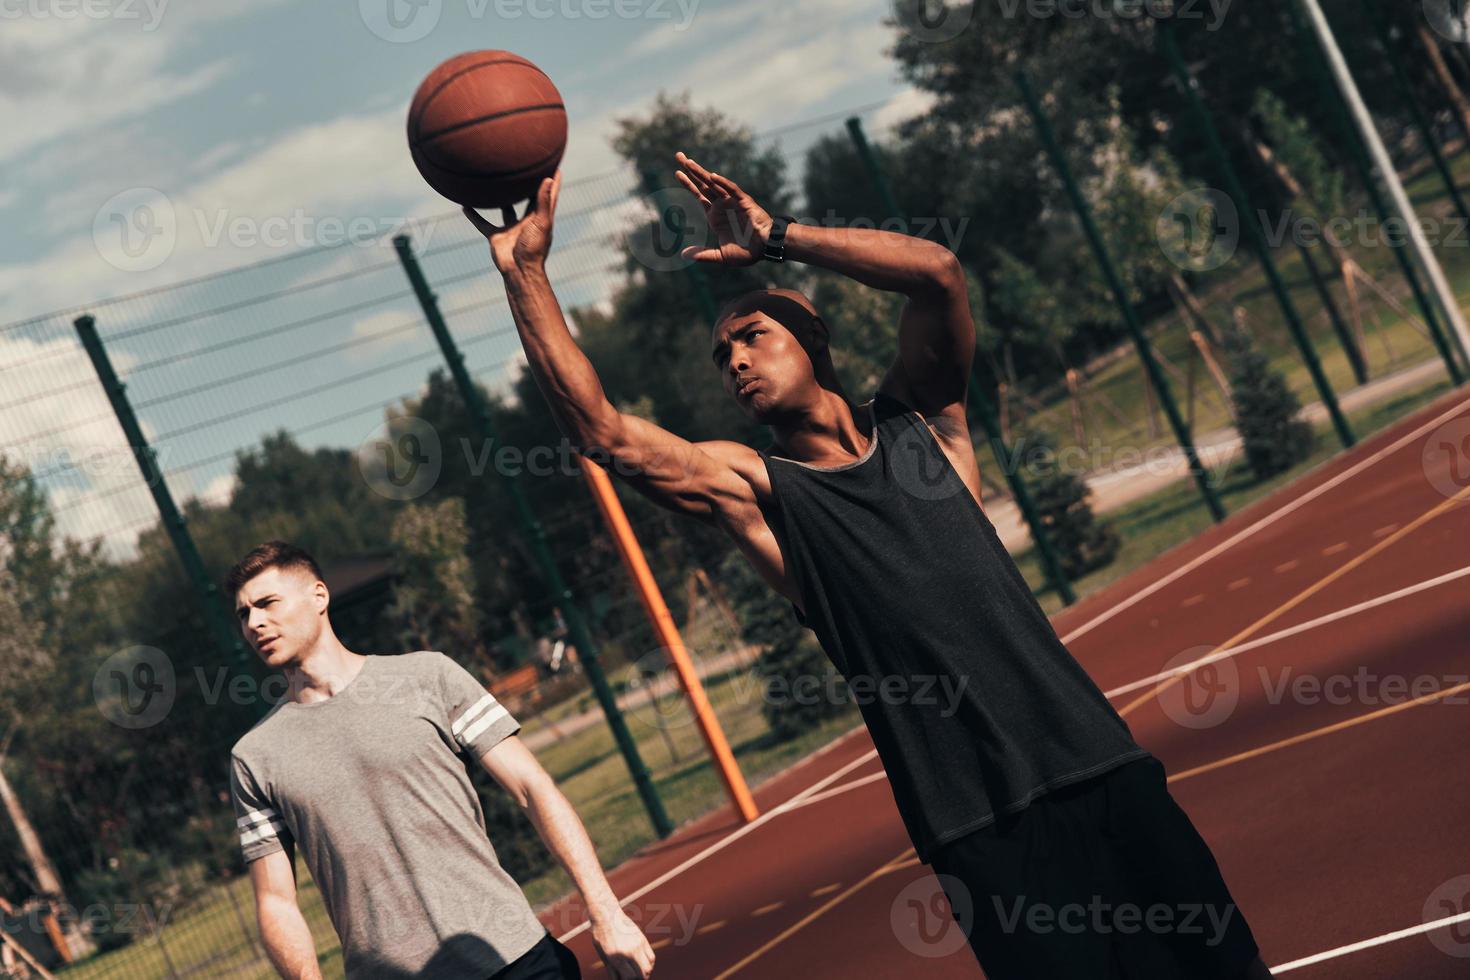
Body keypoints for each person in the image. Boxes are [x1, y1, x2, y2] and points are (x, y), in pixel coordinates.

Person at [462, 155, 1271, 978]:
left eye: (752, 337)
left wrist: (776, 239)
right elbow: (606, 433)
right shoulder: (762, 494)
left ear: (812, 342)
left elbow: (939, 277)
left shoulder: (927, 426)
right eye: (722, 357)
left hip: (1098, 760)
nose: (735, 361)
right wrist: (525, 274)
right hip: (979, 824)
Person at [225, 541, 655, 980]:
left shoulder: (428, 676)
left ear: (319, 596)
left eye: (267, 603)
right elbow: (276, 900)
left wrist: (606, 912)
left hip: (514, 958)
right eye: (243, 614)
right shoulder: (255, 757)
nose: (254, 623)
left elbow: (532, 787)